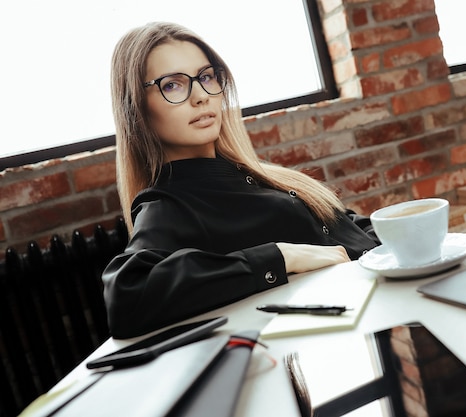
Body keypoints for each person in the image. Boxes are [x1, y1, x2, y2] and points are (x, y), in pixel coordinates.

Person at [102, 22, 380, 339]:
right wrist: (280, 257)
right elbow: (128, 296)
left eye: (206, 77)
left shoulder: (257, 174)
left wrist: (401, 234)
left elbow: (346, 226)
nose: (200, 96)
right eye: (172, 85)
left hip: (386, 300)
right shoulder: (169, 205)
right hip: (340, 337)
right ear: (137, 107)